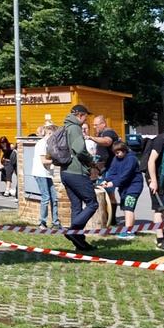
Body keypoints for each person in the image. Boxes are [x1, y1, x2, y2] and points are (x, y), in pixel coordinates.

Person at [59, 104, 99, 253]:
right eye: (86, 117)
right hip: (77, 172)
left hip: (66, 172)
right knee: (92, 203)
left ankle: (79, 241)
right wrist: (89, 159)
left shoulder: (66, 126)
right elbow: (80, 150)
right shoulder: (75, 128)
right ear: (80, 115)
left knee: (76, 206)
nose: (86, 120)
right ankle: (73, 231)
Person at [140, 125, 164, 253]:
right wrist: (153, 181)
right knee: (159, 208)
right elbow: (151, 161)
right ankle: (160, 239)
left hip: (161, 177)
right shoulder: (161, 140)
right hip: (154, 178)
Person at [102, 141, 143, 238]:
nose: (116, 155)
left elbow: (125, 175)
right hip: (123, 187)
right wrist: (106, 180)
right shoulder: (116, 158)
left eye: (118, 152)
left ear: (124, 150)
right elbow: (112, 171)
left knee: (129, 206)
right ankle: (131, 229)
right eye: (115, 153)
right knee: (125, 207)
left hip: (134, 186)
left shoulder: (131, 159)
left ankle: (128, 231)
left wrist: (113, 183)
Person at [32, 124, 60, 228]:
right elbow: (43, 161)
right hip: (40, 173)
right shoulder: (42, 144)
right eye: (54, 135)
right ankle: (42, 222)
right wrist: (57, 161)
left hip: (47, 173)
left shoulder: (48, 144)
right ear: (49, 133)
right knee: (46, 197)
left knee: (54, 197)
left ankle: (56, 222)